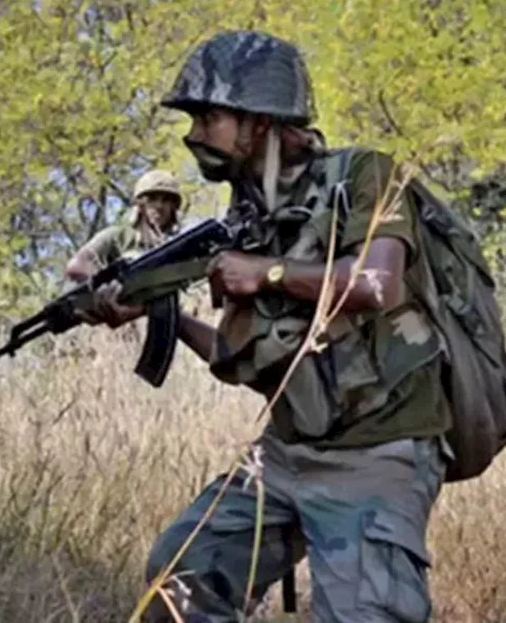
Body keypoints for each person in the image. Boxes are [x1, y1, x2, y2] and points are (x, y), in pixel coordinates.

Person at [83, 30, 451, 622]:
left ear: (260, 120)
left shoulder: (363, 176)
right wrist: (165, 315)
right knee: (180, 582)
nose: (194, 134)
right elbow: (254, 366)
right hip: (285, 453)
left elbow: (377, 283)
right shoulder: (248, 216)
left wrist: (268, 272)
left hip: (376, 455)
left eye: (209, 116)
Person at [64, 169, 183, 282]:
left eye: (166, 200)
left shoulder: (175, 246)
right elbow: (76, 266)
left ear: (173, 207)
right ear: (141, 204)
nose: (159, 206)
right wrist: (104, 284)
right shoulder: (118, 237)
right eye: (152, 199)